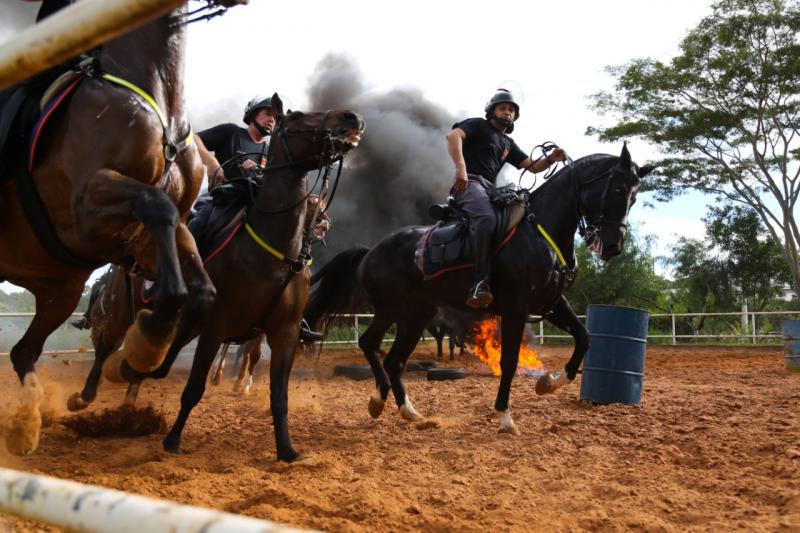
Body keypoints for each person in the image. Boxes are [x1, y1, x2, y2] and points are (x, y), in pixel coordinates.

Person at [447, 88, 567, 309]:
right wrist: (460, 167)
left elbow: (532, 167)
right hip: (469, 183)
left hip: (490, 190)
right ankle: (479, 283)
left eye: (511, 110)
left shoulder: (508, 143)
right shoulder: (477, 125)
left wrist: (551, 159)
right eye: (503, 108)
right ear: (492, 110)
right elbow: (454, 136)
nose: (507, 112)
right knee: (486, 218)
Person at [195, 95, 277, 188]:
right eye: (268, 114)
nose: (272, 120)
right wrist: (211, 162)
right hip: (221, 198)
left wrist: (260, 169)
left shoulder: (270, 152)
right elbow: (194, 138)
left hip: (252, 201)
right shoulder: (231, 132)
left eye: (275, 118)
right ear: (253, 114)